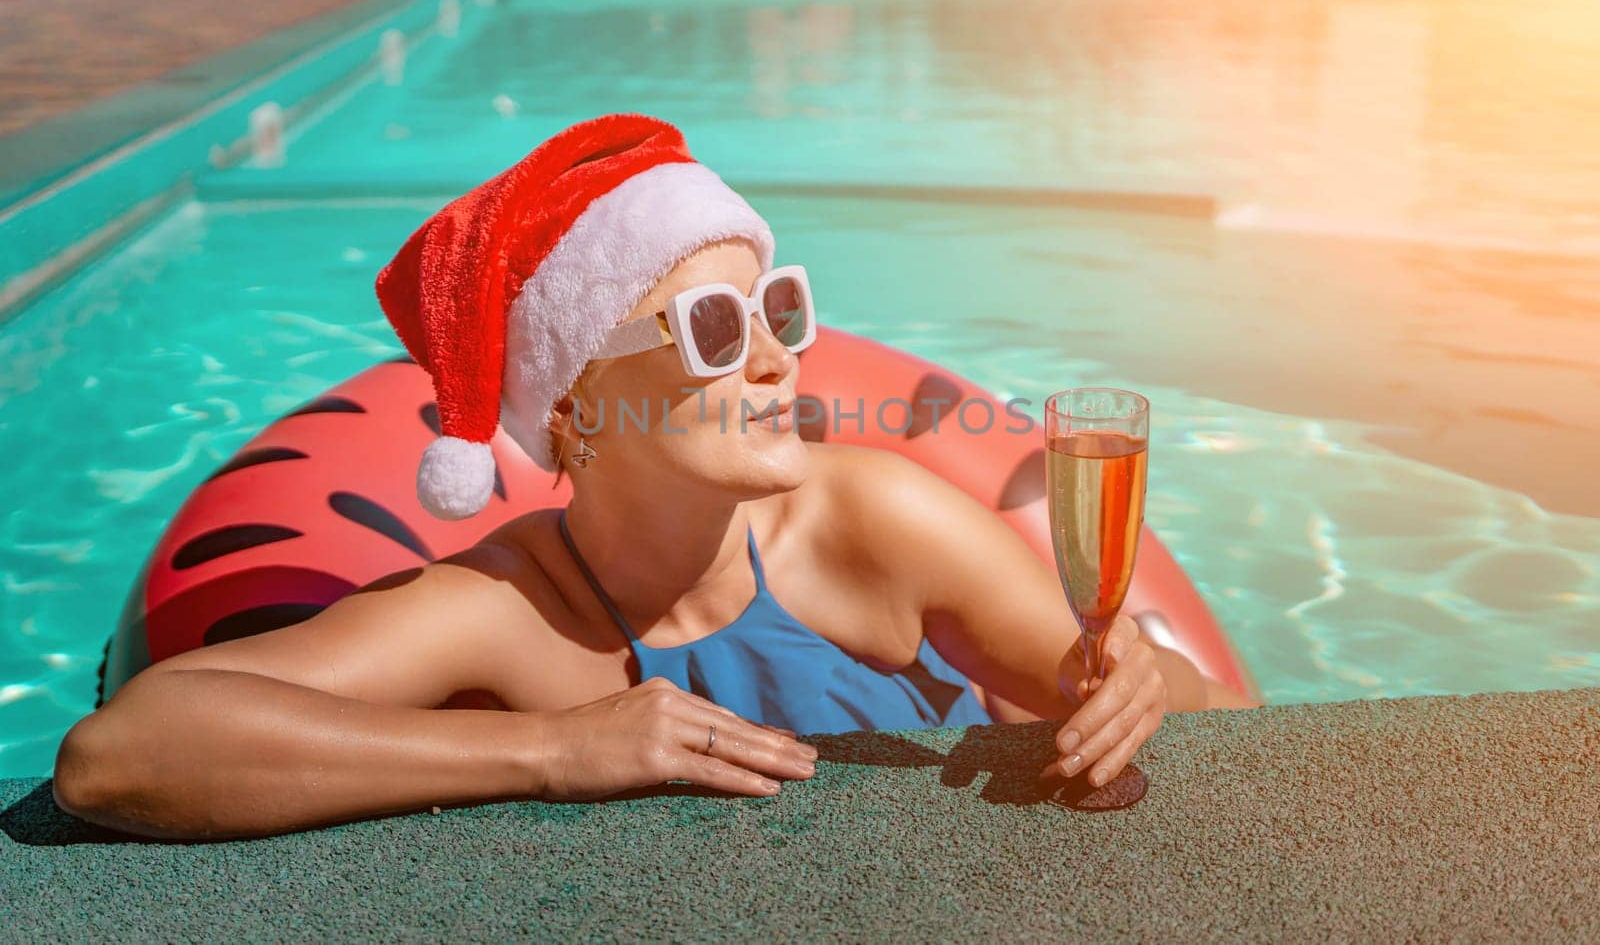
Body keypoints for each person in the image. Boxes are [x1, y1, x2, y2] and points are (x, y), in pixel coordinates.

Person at [53, 114, 1256, 840]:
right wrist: (549, 752)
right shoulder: (513, 609)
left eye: (779, 308)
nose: (785, 353)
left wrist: (1147, 683)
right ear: (577, 403)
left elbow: (1217, 726)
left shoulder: (865, 522)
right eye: (718, 328)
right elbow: (123, 753)